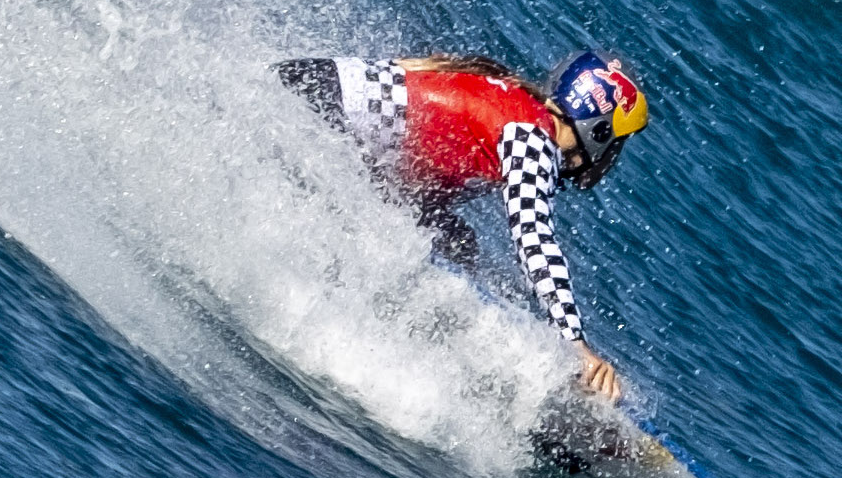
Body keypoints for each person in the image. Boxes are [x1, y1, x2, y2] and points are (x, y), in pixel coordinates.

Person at [279, 51, 651, 402]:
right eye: (616, 145)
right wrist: (577, 346)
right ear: (597, 130)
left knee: (456, 241)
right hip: (304, 117)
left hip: (298, 94)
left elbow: (409, 170)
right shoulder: (533, 139)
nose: (611, 159)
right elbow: (534, 237)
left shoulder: (513, 98)